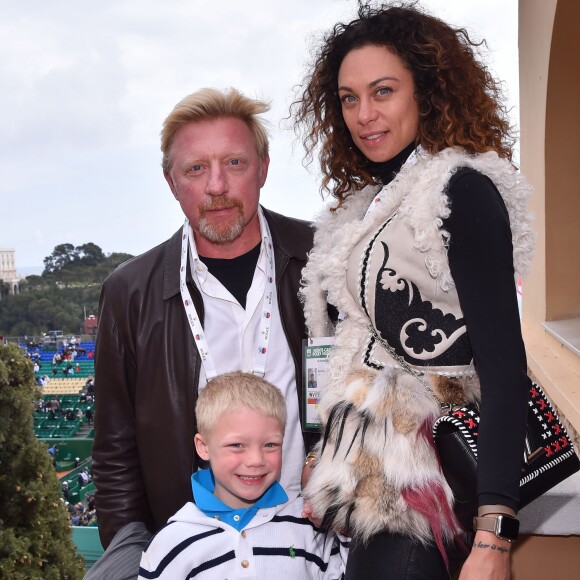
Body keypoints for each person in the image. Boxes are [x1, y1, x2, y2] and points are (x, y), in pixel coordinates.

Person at [293, 3, 534, 580]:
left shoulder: (461, 192)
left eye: (382, 91)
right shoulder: (364, 210)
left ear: (426, 91)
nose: (364, 114)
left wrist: (495, 537)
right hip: (371, 497)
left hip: (430, 504)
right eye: (349, 98)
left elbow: (504, 369)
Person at [88, 87, 316, 579]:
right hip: (191, 554)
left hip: (314, 540)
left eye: (234, 163)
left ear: (263, 167)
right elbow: (115, 450)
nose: (216, 185)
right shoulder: (130, 293)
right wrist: (133, 558)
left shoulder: (327, 261)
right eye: (196, 169)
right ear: (171, 182)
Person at [138, 372, 348, 579]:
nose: (256, 460)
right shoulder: (172, 542)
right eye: (237, 445)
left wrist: (344, 528)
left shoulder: (309, 527)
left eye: (270, 445)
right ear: (203, 447)